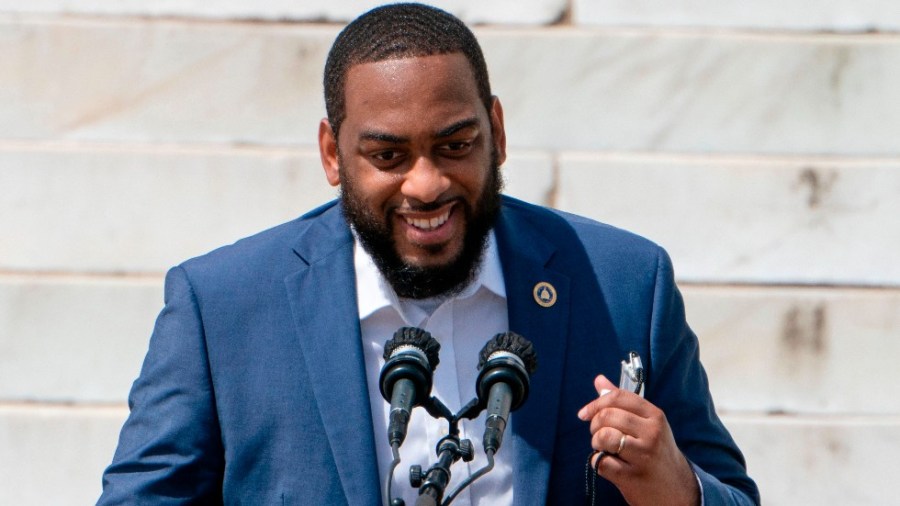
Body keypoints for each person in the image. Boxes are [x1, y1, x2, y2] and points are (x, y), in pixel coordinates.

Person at [99, 3, 759, 505]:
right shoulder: (221, 307)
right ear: (333, 153)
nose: (427, 184)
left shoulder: (624, 285)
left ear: (495, 131)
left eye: (455, 146)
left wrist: (680, 489)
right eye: (388, 156)